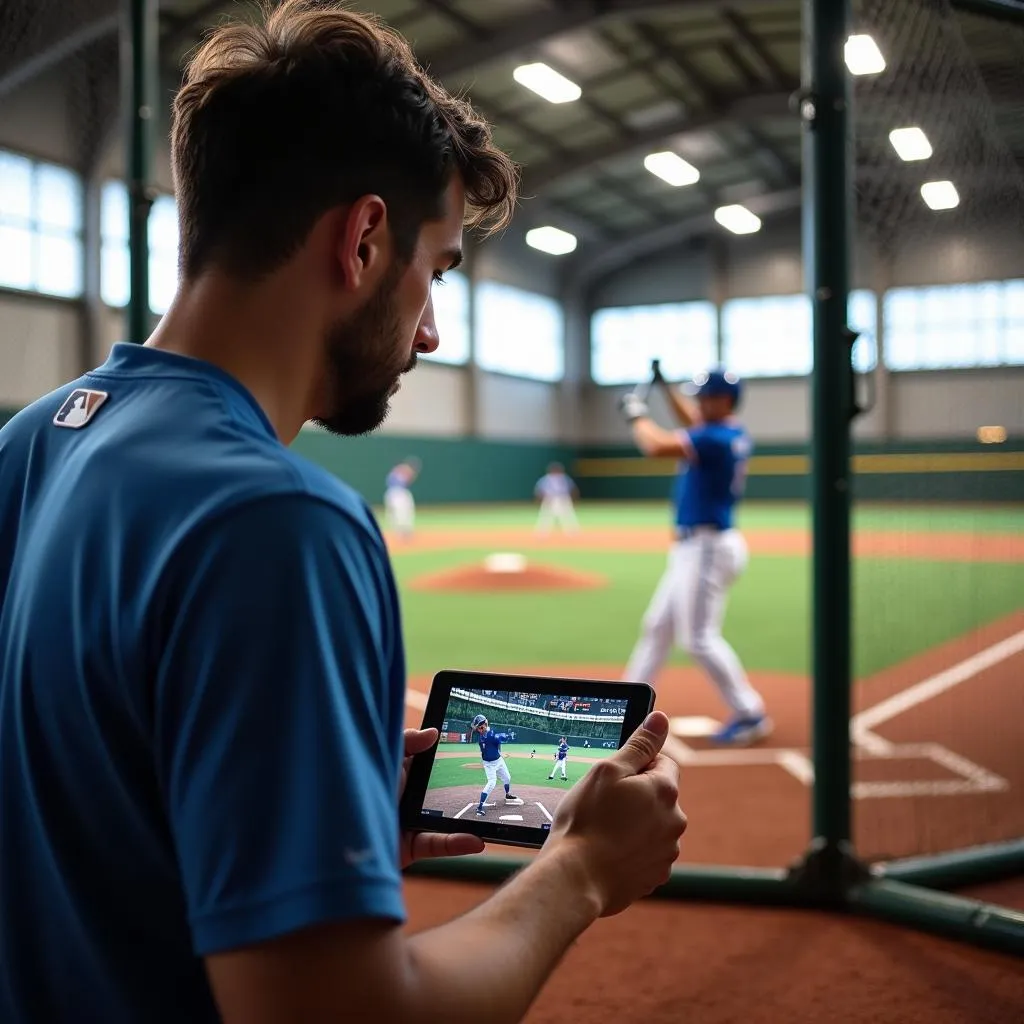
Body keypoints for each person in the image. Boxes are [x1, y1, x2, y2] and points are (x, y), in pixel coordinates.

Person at [0, 4, 687, 1023]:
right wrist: (582, 870)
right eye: (438, 268)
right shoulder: (277, 522)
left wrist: (301, 822)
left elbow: (82, 802)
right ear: (365, 237)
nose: (435, 330)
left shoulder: (33, 439)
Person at [618, 365, 773, 747]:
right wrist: (666, 387)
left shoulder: (714, 439)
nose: (699, 402)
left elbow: (655, 446)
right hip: (698, 547)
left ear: (725, 400)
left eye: (706, 396)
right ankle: (625, 708)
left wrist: (636, 413)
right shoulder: (728, 431)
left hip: (705, 547)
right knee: (657, 627)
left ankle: (750, 712)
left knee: (699, 638)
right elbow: (691, 419)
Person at [470, 714, 520, 815]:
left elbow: (497, 740)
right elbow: (499, 737)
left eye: (481, 727)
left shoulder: (489, 734)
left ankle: (507, 794)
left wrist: (503, 740)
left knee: (507, 778)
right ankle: (480, 807)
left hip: (498, 760)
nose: (479, 729)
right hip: (489, 764)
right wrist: (509, 736)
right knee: (492, 783)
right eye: (478, 728)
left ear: (486, 724)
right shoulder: (486, 736)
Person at [533, 462, 580, 535]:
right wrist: (540, 500)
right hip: (550, 499)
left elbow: (573, 489)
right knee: (546, 516)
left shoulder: (564, 478)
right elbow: (539, 491)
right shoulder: (546, 479)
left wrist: (573, 499)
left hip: (563, 498)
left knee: (568, 516)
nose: (556, 471)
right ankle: (541, 533)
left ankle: (573, 532)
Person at [384, 457, 419, 538]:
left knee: (401, 512)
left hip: (395, 492)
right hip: (397, 492)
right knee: (401, 512)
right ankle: (401, 532)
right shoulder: (404, 469)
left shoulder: (398, 470)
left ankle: (403, 531)